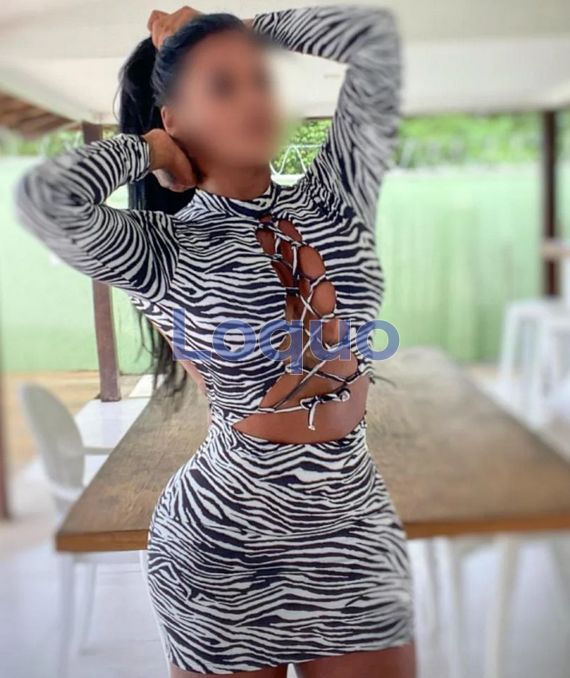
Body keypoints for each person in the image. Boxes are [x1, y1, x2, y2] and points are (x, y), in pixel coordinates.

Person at [16, 6, 415, 677]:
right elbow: (42, 199)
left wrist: (242, 30)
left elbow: (371, 37)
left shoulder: (337, 197)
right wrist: (147, 151)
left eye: (261, 79)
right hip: (225, 549)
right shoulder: (162, 249)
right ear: (173, 118)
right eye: (224, 86)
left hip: (356, 535)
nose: (255, 98)